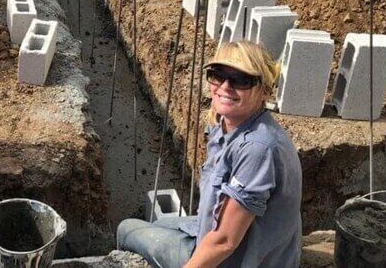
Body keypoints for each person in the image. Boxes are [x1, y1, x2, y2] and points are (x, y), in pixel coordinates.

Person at [117, 41, 302, 268]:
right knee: (157, 226)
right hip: (213, 231)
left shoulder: (257, 149)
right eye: (217, 75)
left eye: (241, 80)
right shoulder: (228, 122)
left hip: (236, 260)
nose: (225, 86)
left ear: (264, 90)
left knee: (126, 229)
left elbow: (224, 242)